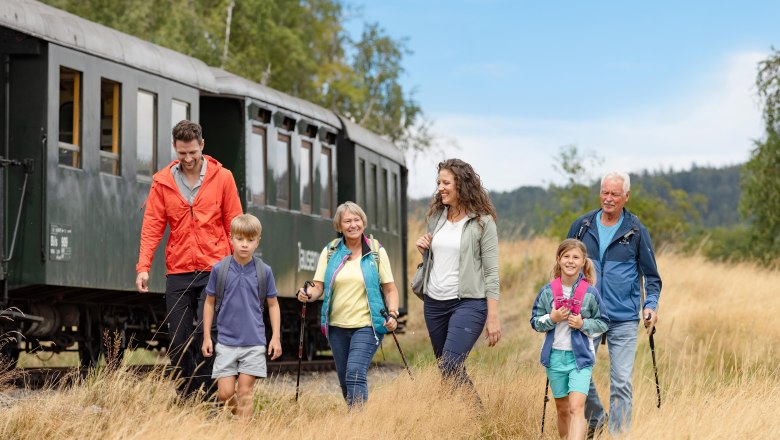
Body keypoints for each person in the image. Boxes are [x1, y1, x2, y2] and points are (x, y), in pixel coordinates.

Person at [136, 120, 242, 395]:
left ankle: (208, 397)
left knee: (208, 335)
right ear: (175, 148)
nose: (188, 158)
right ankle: (187, 394)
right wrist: (143, 266)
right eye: (182, 153)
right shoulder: (162, 182)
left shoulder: (223, 178)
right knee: (178, 340)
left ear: (202, 145)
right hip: (179, 270)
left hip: (215, 268)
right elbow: (152, 226)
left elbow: (235, 224)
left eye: (193, 152)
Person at [567, 171, 662, 435]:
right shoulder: (582, 226)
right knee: (578, 372)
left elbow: (652, 278)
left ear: (626, 197)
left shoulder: (636, 230)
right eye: (605, 192)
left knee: (621, 382)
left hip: (624, 317)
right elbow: (565, 264)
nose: (608, 199)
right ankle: (597, 418)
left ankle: (617, 435)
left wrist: (650, 305)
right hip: (586, 315)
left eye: (615, 194)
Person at [296, 201, 400, 408]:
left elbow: (390, 289)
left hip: (367, 325)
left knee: (355, 373)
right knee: (345, 380)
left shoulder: (376, 251)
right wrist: (307, 294)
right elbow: (318, 287)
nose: (353, 225)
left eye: (356, 220)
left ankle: (358, 424)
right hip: (337, 327)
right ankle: (353, 418)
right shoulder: (331, 251)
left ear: (363, 222)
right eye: (347, 221)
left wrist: (393, 314)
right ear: (339, 226)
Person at [414, 158, 501, 400]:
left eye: (445, 182)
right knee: (447, 370)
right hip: (434, 304)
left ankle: (476, 417)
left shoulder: (483, 223)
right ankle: (466, 422)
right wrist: (425, 251)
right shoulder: (437, 218)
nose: (440, 187)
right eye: (438, 182)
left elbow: (492, 273)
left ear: (461, 185)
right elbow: (439, 258)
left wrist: (492, 318)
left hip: (468, 303)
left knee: (451, 363)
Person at [201, 214, 281, 420]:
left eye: (250, 240)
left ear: (257, 241)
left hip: (254, 342)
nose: (244, 245)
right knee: (225, 394)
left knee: (245, 392)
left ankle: (245, 431)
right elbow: (209, 303)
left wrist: (275, 337)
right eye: (240, 239)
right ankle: (246, 418)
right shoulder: (220, 269)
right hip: (226, 342)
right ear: (231, 239)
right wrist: (207, 336)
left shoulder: (264, 271)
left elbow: (273, 305)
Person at [530, 239, 608, 440]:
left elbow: (603, 323)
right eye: (566, 256)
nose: (570, 261)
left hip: (580, 358)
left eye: (576, 257)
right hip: (555, 357)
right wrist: (552, 318)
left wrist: (583, 324)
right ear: (558, 259)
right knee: (563, 409)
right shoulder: (548, 292)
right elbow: (535, 322)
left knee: (576, 407)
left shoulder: (590, 293)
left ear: (583, 262)